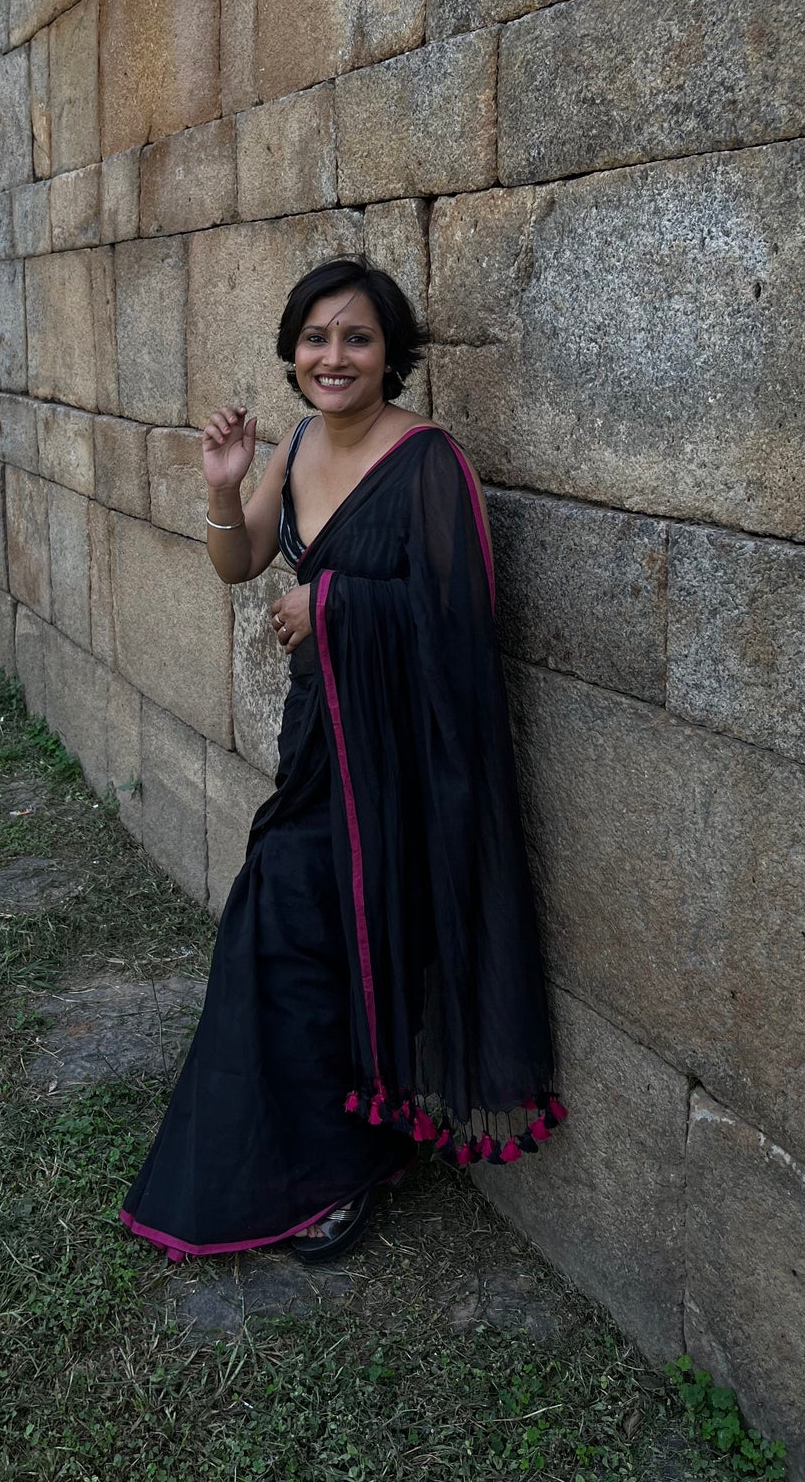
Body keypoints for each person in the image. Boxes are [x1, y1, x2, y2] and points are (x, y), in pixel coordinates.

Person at [119, 258, 566, 1265]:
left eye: (356, 338)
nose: (334, 355)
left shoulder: (430, 461)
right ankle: (330, 1142)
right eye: (316, 337)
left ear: (388, 354)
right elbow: (239, 564)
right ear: (291, 352)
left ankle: (338, 1164)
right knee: (290, 928)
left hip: (407, 757)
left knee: (312, 932)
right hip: (320, 737)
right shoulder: (300, 444)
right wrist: (224, 491)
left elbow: (460, 624)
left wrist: (333, 604)